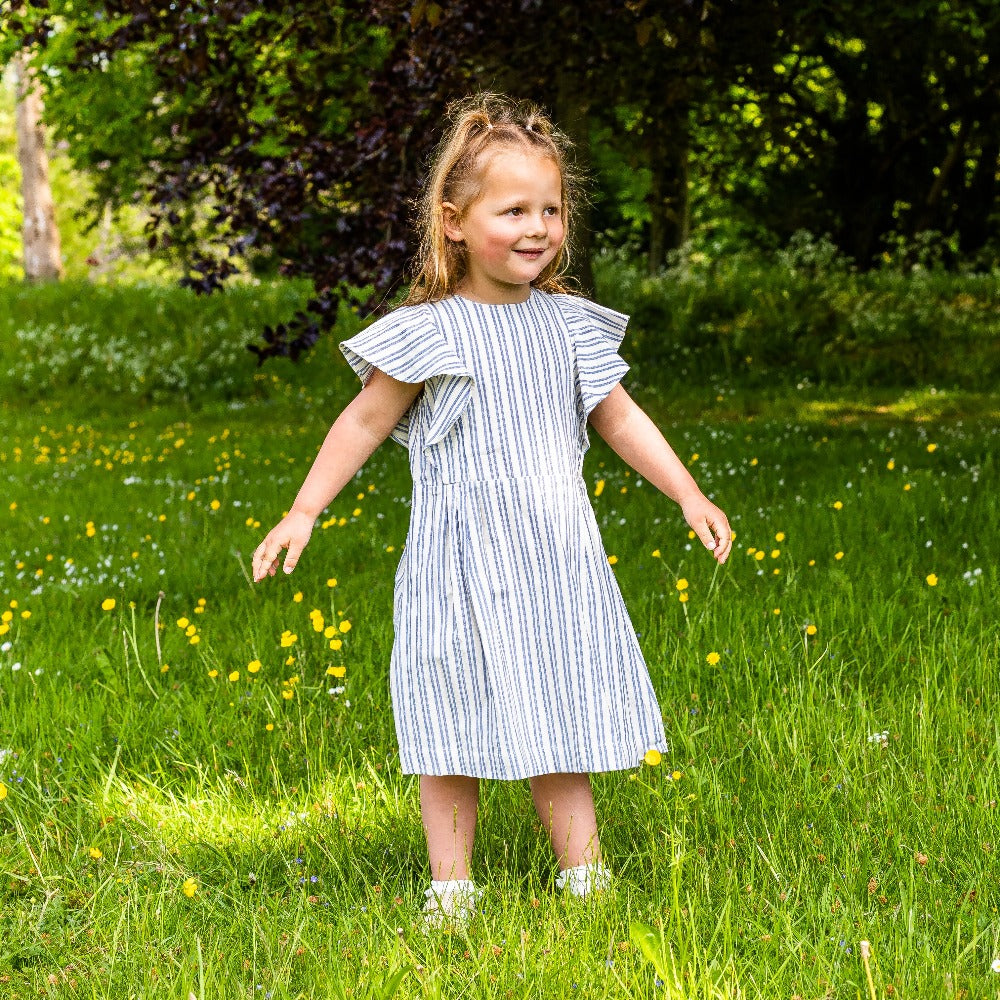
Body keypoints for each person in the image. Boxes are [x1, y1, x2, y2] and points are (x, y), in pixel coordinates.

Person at [252, 93, 732, 928]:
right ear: (454, 222)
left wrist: (687, 492)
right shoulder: (430, 331)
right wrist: (304, 509)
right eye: (514, 209)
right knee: (451, 716)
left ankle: (582, 875)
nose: (538, 226)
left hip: (554, 562)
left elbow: (617, 416)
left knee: (559, 711)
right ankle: (451, 888)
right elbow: (364, 418)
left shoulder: (571, 327)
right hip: (460, 565)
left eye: (551, 209)